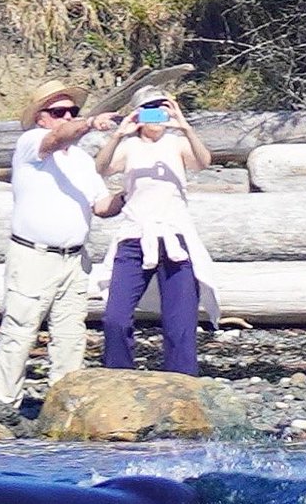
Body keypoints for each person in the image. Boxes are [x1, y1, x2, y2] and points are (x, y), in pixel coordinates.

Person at [0, 79, 122, 407]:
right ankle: (3, 402)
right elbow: (58, 137)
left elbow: (101, 206)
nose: (67, 117)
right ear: (41, 117)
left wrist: (130, 193)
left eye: (72, 111)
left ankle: (64, 404)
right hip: (33, 255)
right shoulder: (32, 143)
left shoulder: (79, 161)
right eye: (58, 111)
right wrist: (90, 123)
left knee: (70, 336)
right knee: (20, 329)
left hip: (75, 260)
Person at [93, 84, 220, 374]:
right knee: (116, 317)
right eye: (150, 109)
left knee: (180, 323)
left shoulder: (176, 142)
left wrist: (185, 127)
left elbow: (203, 162)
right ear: (139, 113)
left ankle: (182, 383)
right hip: (135, 237)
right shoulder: (128, 146)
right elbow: (101, 168)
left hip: (174, 236)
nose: (157, 116)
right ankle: (119, 376)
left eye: (162, 108)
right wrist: (117, 135)